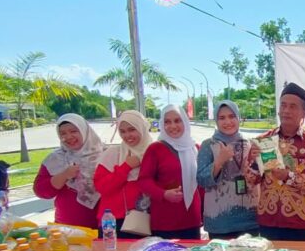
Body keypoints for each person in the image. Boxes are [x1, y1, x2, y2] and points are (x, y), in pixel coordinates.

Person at [246, 83, 305, 242]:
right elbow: (251, 180)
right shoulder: (264, 140)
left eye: (293, 106)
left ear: (303, 112)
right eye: (283, 105)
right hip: (268, 219)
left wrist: (288, 176)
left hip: (300, 222)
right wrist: (255, 163)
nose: (286, 110)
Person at [196, 101, 259, 239]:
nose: (228, 121)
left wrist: (255, 162)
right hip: (220, 220)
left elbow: (259, 178)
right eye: (222, 118)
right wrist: (219, 161)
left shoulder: (251, 144)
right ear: (216, 121)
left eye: (232, 116)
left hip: (250, 217)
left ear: (239, 118)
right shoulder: (208, 145)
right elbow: (201, 179)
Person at [139, 104, 202, 239]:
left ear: (185, 122)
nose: (172, 126)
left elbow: (201, 184)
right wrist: (163, 194)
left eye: (177, 120)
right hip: (165, 221)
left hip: (192, 218)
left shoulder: (195, 148)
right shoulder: (155, 149)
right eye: (167, 122)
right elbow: (144, 180)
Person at [33, 114, 105, 229]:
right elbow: (40, 191)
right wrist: (64, 175)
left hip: (105, 226)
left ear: (84, 131)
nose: (69, 136)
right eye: (63, 133)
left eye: (73, 131)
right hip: (68, 229)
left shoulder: (106, 155)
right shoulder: (55, 159)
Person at [94, 110, 152, 239]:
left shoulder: (154, 151)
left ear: (142, 128)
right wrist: (126, 167)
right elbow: (102, 187)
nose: (127, 135)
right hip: (114, 220)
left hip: (146, 219)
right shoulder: (113, 154)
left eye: (132, 129)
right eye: (123, 131)